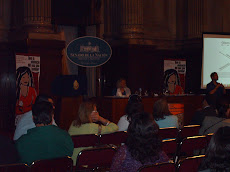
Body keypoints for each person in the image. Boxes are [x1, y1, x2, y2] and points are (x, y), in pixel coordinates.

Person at [68, 101, 118, 166]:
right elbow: (115, 127)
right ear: (89, 113)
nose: (97, 113)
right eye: (95, 111)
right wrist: (101, 119)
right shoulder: (94, 127)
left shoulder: (73, 124)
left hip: (73, 162)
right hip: (86, 162)